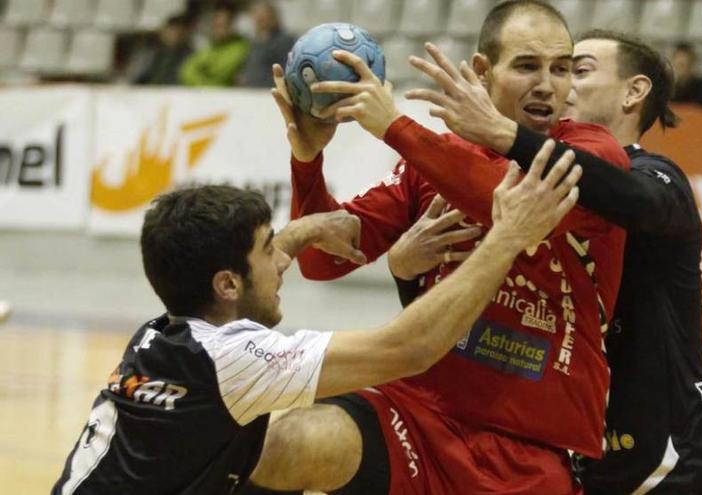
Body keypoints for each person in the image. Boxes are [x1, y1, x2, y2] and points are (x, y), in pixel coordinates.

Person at [247, 2, 630, 494]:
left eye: (561, 68)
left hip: (532, 449)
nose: (547, 85)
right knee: (286, 444)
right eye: (527, 66)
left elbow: (507, 198)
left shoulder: (593, 155)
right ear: (481, 72)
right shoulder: (432, 162)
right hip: (417, 414)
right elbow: (323, 261)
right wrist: (308, 160)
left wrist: (395, 127)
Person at [51, 159, 582, 494]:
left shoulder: (165, 333)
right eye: (268, 251)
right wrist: (507, 237)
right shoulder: (235, 362)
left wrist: (304, 229)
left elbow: (240, 272)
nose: (281, 263)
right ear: (229, 285)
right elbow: (411, 347)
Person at [400, 27, 702, 494]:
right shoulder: (525, 191)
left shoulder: (656, 177)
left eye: (576, 70)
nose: (560, 83)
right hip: (585, 454)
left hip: (672, 459)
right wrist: (404, 268)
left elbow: (625, 196)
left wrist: (503, 133)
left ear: (634, 92)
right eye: (555, 70)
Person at [180, 5, 250, 87]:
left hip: (228, 96)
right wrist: (202, 85)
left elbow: (221, 73)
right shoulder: (209, 45)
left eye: (224, 25)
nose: (219, 29)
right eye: (216, 25)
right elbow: (186, 71)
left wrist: (203, 72)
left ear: (232, 25)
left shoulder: (241, 46)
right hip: (204, 94)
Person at [239, 1, 296, 87]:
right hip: (250, 93)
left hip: (270, 93)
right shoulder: (254, 42)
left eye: (263, 18)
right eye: (257, 18)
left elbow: (287, 71)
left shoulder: (285, 41)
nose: (259, 21)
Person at [131, 14, 194, 85]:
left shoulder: (190, 55)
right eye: (170, 30)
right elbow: (140, 77)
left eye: (177, 31)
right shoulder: (152, 53)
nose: (173, 35)